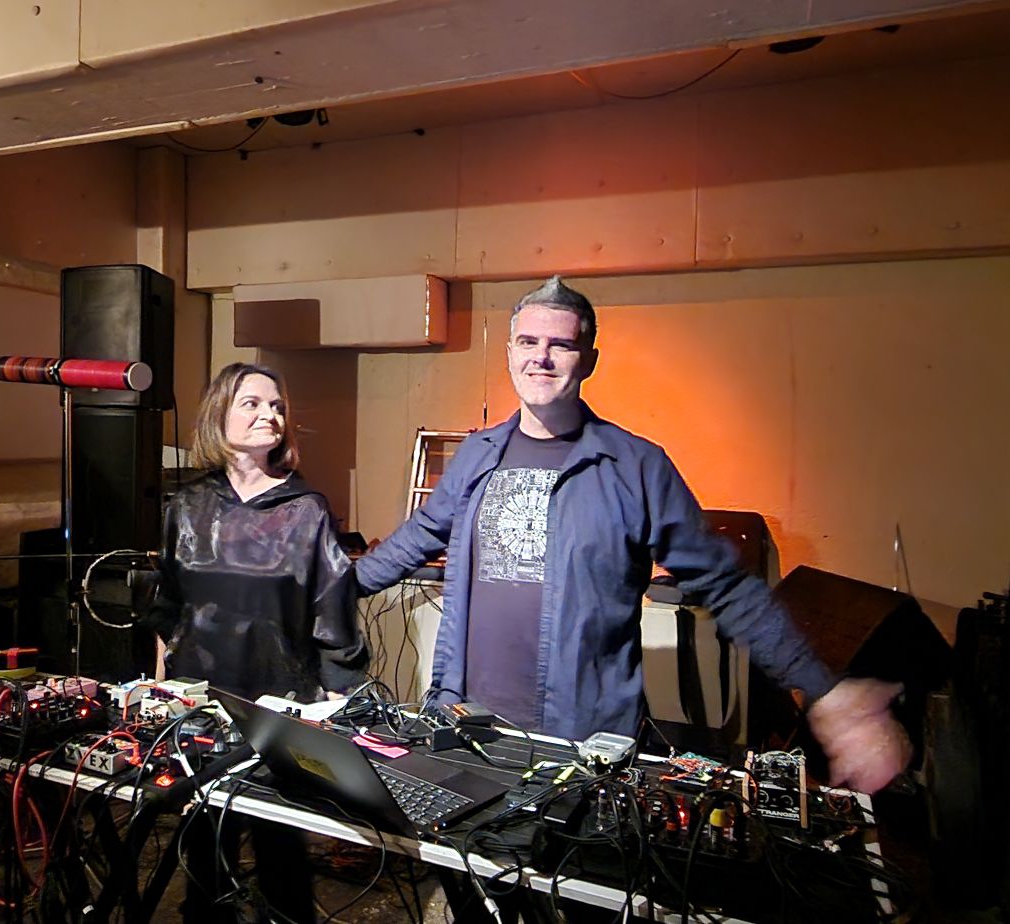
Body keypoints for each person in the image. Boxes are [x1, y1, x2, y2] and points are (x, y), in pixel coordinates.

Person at [356, 276, 909, 793]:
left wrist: (824, 691)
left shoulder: (636, 466)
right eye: (527, 342)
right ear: (509, 353)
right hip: (467, 723)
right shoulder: (478, 454)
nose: (540, 357)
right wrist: (337, 586)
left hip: (580, 739)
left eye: (560, 345)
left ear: (589, 360)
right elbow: (421, 534)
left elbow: (726, 585)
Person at [146, 362, 368, 924]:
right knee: (203, 851)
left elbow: (333, 615)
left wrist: (334, 707)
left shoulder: (305, 510)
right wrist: (162, 690)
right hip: (202, 705)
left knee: (280, 854)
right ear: (219, 414)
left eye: (277, 407)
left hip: (277, 707)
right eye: (253, 403)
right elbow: (168, 607)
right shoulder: (186, 508)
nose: (270, 415)